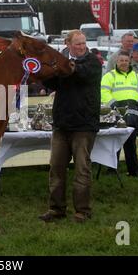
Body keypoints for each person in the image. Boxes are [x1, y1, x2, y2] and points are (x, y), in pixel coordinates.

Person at [39, 30, 101, 223]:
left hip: (84, 125)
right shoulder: (62, 63)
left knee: (82, 169)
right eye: (78, 44)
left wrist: (62, 66)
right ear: (68, 44)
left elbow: (80, 73)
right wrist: (42, 70)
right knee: (56, 169)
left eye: (83, 43)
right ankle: (56, 208)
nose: (82, 47)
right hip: (61, 124)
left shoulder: (93, 62)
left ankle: (83, 211)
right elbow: (51, 82)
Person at [101, 50, 138, 177]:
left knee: (131, 143)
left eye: (126, 61)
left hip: (133, 114)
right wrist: (113, 104)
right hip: (115, 114)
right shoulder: (109, 76)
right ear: (117, 61)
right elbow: (104, 92)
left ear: (130, 61)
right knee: (115, 142)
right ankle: (111, 170)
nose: (124, 63)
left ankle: (133, 171)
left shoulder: (136, 76)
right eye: (121, 60)